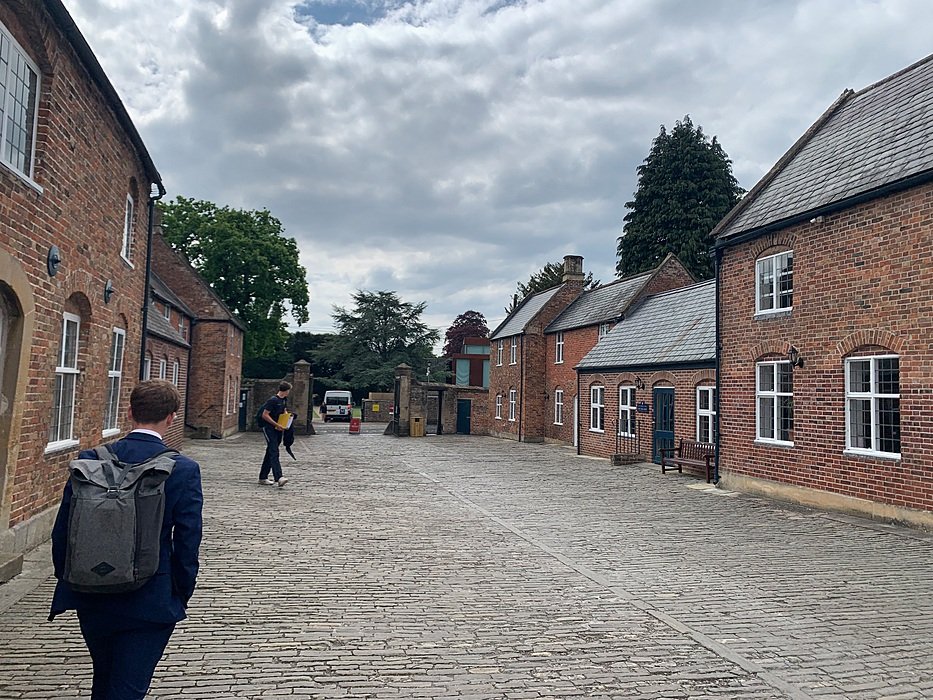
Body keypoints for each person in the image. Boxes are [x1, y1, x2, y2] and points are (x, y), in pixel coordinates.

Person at [49, 379, 203, 700]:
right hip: (151, 597)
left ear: (130, 412)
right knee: (128, 689)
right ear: (172, 417)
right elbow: (188, 541)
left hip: (92, 594)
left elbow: (62, 530)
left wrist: (73, 579)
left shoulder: (90, 459)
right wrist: (180, 593)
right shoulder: (182, 469)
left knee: (103, 681)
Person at [259, 381, 291, 487]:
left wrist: (286, 419)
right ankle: (279, 477)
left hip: (278, 428)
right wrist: (276, 424)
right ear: (286, 391)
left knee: (270, 451)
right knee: (274, 451)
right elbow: (265, 415)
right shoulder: (272, 400)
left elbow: (284, 411)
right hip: (269, 428)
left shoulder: (284, 400)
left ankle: (263, 477)